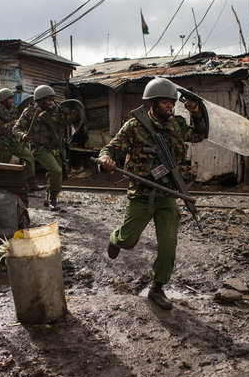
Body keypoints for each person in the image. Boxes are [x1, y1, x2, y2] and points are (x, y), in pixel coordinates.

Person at [97, 77, 208, 310]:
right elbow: (111, 148)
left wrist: (196, 113)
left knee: (168, 244)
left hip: (167, 194)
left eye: (172, 102)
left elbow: (198, 136)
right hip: (141, 193)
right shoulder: (134, 126)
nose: (170, 106)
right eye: (165, 103)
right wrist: (106, 158)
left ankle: (157, 287)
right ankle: (115, 239)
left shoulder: (176, 125)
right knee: (128, 240)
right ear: (153, 103)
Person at [13, 85, 73, 210]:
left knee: (59, 174)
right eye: (47, 100)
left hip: (55, 147)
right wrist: (23, 135)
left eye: (51, 99)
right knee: (55, 170)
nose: (50, 103)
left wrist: (72, 116)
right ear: (39, 100)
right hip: (39, 148)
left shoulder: (56, 110)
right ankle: (52, 200)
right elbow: (16, 128)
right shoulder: (29, 112)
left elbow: (66, 122)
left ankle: (49, 197)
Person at [0, 88, 41, 192]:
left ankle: (31, 184)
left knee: (30, 157)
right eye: (9, 99)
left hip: (14, 142)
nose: (12, 101)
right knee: (1, 168)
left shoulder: (14, 109)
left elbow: (20, 122)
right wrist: (12, 124)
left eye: (12, 98)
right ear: (3, 100)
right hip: (3, 145)